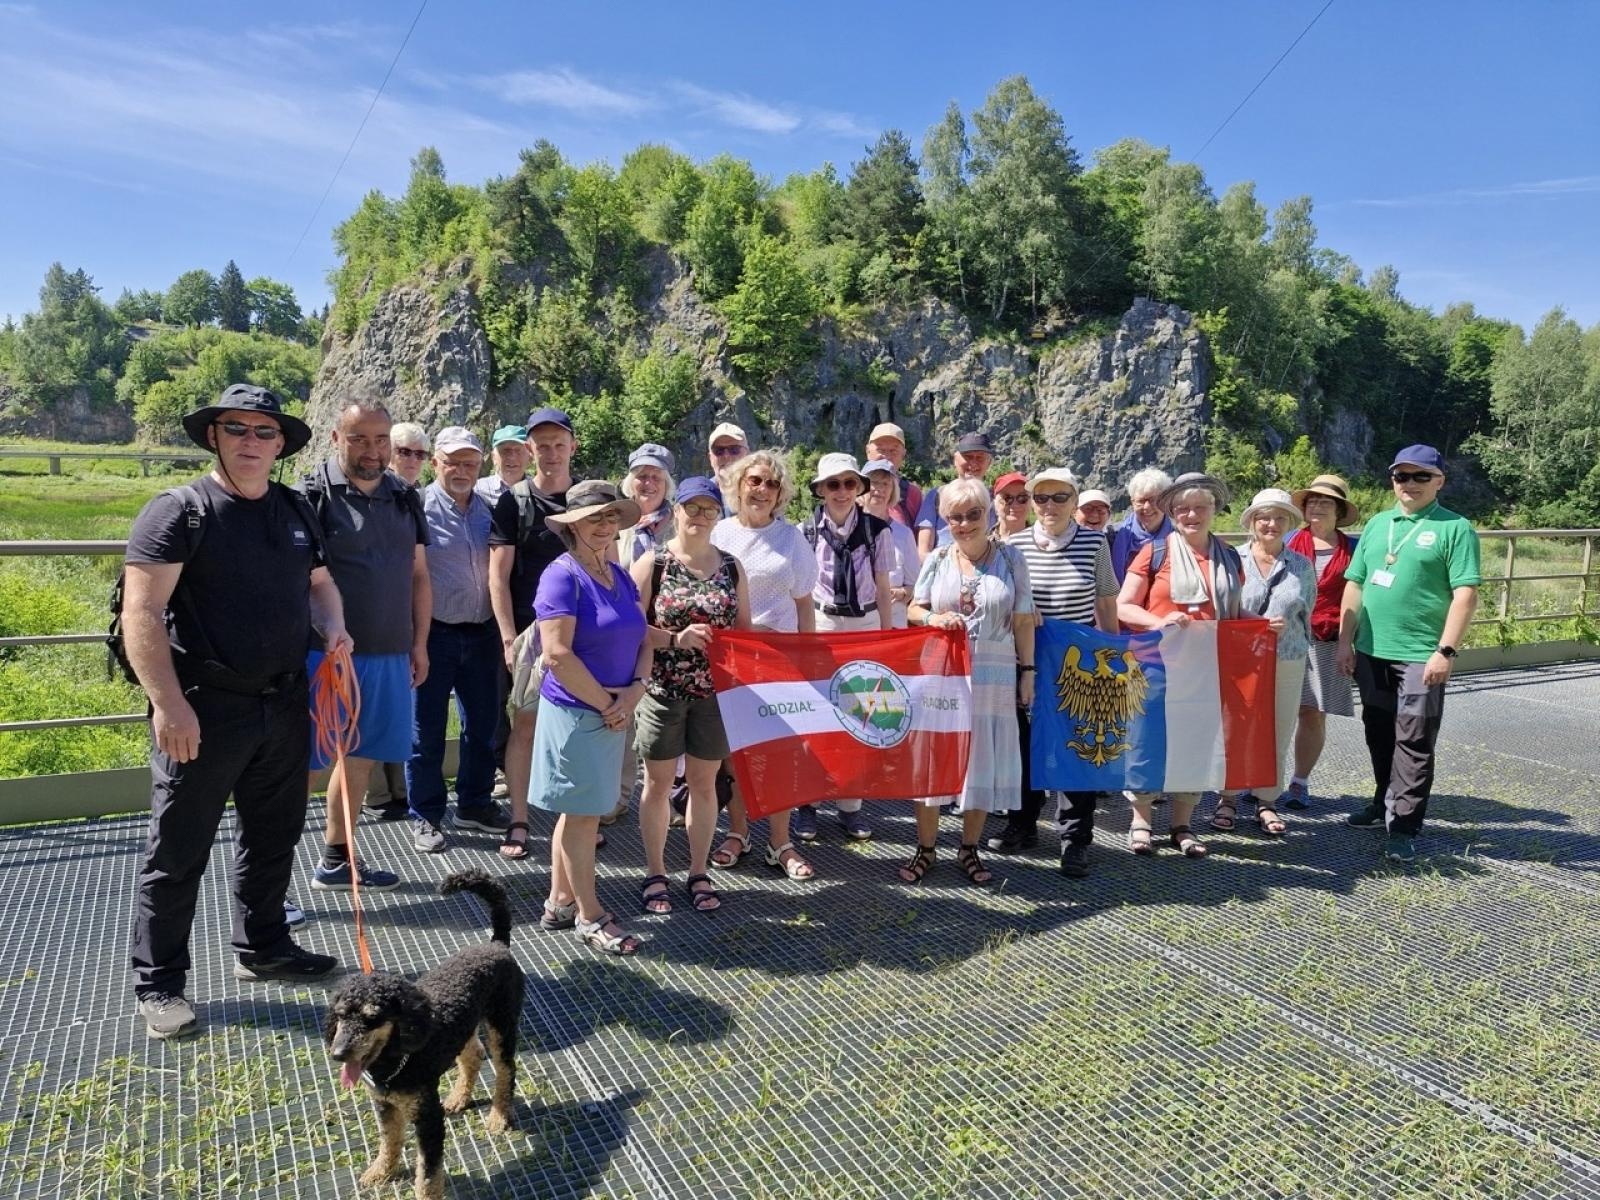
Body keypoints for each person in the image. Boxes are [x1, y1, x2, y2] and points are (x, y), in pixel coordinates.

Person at [123, 383, 349, 1040]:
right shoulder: (178, 513)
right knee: (178, 849)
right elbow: (140, 613)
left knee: (274, 833)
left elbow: (320, 585)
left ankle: (264, 945)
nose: (251, 441)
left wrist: (334, 629)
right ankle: (159, 983)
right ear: (214, 436)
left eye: (264, 431)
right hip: (202, 708)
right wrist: (167, 704)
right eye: (238, 429)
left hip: (282, 702)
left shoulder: (295, 510)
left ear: (281, 444)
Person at [299, 393, 436, 892]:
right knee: (306, 765)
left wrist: (419, 644)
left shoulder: (403, 496)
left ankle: (338, 858)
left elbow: (419, 575)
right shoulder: (311, 495)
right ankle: (267, 886)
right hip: (323, 656)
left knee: (360, 757)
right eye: (358, 438)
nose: (371, 449)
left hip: (391, 651)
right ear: (337, 438)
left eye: (381, 439)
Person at [1337, 446, 1480, 863]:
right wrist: (1346, 643)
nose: (1410, 485)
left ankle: (1403, 826)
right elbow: (1355, 586)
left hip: (1421, 655)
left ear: (1439, 481)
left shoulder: (1456, 528)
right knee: (1378, 732)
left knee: (1414, 740)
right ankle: (1383, 800)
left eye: (1421, 477)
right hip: (1371, 652)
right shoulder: (1379, 525)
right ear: (1392, 480)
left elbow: (1465, 595)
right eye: (1402, 476)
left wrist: (1445, 651)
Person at [530, 480, 653, 954]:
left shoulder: (616, 574)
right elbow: (557, 653)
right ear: (572, 525)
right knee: (584, 818)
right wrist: (610, 705)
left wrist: (636, 691)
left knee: (579, 813)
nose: (603, 525)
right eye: (592, 517)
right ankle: (590, 915)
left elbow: (641, 635)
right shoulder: (561, 577)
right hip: (581, 714)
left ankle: (560, 901)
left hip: (611, 714)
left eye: (609, 516)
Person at [902, 478, 1035, 886]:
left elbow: (1023, 619)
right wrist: (933, 618)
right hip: (943, 674)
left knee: (983, 759)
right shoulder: (938, 558)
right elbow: (912, 609)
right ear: (944, 520)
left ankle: (968, 848)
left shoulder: (1012, 560)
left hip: (994, 673)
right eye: (955, 517)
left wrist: (1027, 671)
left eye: (973, 514)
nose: (964, 524)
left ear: (988, 513)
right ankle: (926, 848)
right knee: (933, 759)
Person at [632, 477, 752, 916]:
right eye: (691, 507)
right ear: (675, 511)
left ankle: (699, 871)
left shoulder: (732, 567)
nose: (699, 517)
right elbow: (627, 628)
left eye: (709, 509)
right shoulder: (652, 565)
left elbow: (744, 632)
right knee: (658, 786)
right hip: (662, 692)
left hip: (713, 697)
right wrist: (674, 639)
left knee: (705, 786)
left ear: (718, 515)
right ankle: (655, 871)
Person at [1116, 472, 1244, 860]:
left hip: (1206, 665)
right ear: (1171, 512)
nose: (1191, 515)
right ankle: (1141, 820)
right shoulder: (1156, 552)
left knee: (1195, 741)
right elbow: (1124, 605)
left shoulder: (1229, 555)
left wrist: (1261, 622)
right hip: (1156, 662)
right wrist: (1160, 622)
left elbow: (1232, 612)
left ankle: (1181, 824)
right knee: (1146, 737)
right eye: (1183, 508)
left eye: (1200, 507)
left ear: (1213, 510)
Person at [998, 468, 1119, 876]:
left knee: (1076, 750)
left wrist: (1113, 652)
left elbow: (1105, 601)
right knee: (1024, 746)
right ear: (1032, 503)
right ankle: (1022, 824)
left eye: (1060, 497)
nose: (1050, 506)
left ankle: (1074, 839)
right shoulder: (1013, 544)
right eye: (1042, 498)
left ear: (1074, 500)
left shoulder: (1095, 542)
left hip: (1079, 663)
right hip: (1025, 661)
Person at [709, 451, 820, 880]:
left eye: (772, 485)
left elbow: (804, 602)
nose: (762, 490)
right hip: (731, 659)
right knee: (733, 754)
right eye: (754, 480)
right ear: (738, 485)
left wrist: (809, 659)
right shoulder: (719, 534)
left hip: (781, 659)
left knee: (780, 754)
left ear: (781, 494)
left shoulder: (792, 538)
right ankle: (738, 833)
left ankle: (781, 841)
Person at [405, 427, 508, 855]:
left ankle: (474, 804)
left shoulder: (490, 510)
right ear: (436, 463)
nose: (462, 470)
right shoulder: (418, 508)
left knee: (482, 726)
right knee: (424, 731)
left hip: (482, 631)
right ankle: (425, 815)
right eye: (453, 462)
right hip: (434, 632)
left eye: (470, 462)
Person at [489, 408, 575, 859]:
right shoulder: (514, 502)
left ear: (572, 447)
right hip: (530, 632)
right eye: (542, 444)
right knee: (524, 726)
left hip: (581, 633)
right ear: (529, 450)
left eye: (559, 443)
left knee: (573, 728)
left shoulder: (586, 500)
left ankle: (573, 820)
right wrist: (508, 637)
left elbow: (610, 566)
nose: (551, 452)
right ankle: (520, 821)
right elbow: (497, 577)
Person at [797, 452, 895, 842]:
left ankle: (851, 806)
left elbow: (884, 588)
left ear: (859, 488)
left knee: (860, 716)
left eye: (849, 483)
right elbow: (801, 590)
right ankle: (808, 803)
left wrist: (888, 640)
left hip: (865, 623)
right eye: (833, 484)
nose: (841, 491)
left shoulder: (877, 530)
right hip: (821, 622)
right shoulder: (803, 531)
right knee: (815, 714)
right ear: (820, 489)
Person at [1210, 489, 1316, 838]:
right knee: (1234, 729)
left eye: (1279, 518)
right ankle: (1227, 797)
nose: (1271, 524)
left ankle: (1266, 799)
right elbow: (1222, 610)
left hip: (1287, 657)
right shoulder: (1231, 559)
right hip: (1241, 660)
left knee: (1279, 729)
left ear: (1288, 523)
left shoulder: (1301, 565)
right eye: (1264, 517)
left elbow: (1306, 614)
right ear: (1252, 522)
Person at [364, 420, 430, 819]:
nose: (410, 460)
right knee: (370, 710)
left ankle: (399, 791)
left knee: (399, 707)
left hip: (407, 618)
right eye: (403, 451)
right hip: (374, 619)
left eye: (419, 454)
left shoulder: (413, 497)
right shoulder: (377, 494)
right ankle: (376, 796)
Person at [1284, 474, 1360, 809]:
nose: (1316, 506)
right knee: (1274, 711)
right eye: (1311, 501)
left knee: (1313, 713)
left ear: (1339, 510)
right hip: (1285, 637)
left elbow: (1358, 597)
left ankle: (1300, 781)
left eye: (1325, 502)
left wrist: (1348, 642)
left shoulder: (1353, 549)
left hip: (1328, 640)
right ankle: (1259, 778)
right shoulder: (1286, 540)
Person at [612, 442, 678, 824]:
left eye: (656, 476)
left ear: (667, 484)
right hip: (622, 639)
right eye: (641, 475)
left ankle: (662, 800)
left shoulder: (678, 523)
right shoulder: (616, 523)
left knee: (662, 721)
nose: (648, 482)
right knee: (621, 716)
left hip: (667, 638)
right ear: (629, 480)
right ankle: (617, 797)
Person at [859, 459, 919, 627]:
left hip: (893, 626)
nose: (879, 489)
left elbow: (915, 586)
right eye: (874, 482)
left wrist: (899, 593)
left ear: (893, 491)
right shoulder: (848, 530)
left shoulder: (904, 534)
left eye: (886, 484)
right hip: (857, 625)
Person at [916, 431, 995, 556]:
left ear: (989, 463)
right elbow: (923, 550)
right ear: (955, 460)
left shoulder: (997, 500)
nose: (973, 463)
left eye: (980, 457)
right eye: (967, 457)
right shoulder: (937, 496)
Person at [1109, 468, 1174, 584]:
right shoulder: (1114, 535)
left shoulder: (1180, 536)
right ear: (1132, 502)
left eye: (1153, 500)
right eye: (1141, 501)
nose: (1147, 507)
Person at [864, 421, 923, 528]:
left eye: (893, 451)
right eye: (880, 450)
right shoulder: (849, 486)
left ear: (903, 454)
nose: (886, 456)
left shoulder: (912, 493)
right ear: (867, 451)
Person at [475, 424, 530, 507]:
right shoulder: (477, 491)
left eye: (518, 450)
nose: (512, 457)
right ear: (494, 457)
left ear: (529, 456)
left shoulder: (539, 491)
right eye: (506, 451)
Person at [708, 421, 749, 503]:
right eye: (718, 451)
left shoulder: (761, 494)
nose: (726, 456)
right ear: (710, 458)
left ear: (747, 454)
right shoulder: (700, 495)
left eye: (734, 450)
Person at [389, 422, 430, 487]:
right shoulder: (375, 490)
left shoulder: (420, 493)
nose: (413, 459)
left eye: (419, 454)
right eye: (404, 452)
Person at [992, 471, 1031, 539]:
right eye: (1007, 498)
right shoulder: (983, 546)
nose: (1015, 505)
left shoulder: (1044, 544)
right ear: (995, 504)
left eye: (1022, 498)